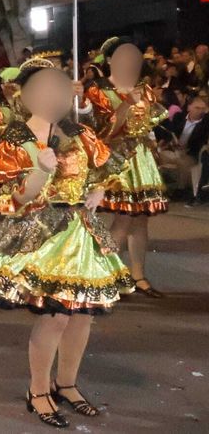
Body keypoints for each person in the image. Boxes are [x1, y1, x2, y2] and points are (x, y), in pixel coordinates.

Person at [0, 58, 132, 428]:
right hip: (43, 234)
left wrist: (100, 190)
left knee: (81, 313)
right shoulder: (15, 140)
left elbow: (112, 165)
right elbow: (15, 200)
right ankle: (38, 390)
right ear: (24, 96)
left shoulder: (79, 131)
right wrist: (42, 169)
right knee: (56, 316)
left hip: (83, 231)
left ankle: (67, 384)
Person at [85, 37, 169, 298]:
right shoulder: (98, 90)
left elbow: (151, 123)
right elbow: (105, 130)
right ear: (109, 60)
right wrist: (127, 103)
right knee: (123, 219)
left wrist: (154, 151)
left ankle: (138, 276)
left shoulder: (144, 89)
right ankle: (104, 276)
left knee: (141, 220)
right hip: (118, 159)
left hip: (142, 159)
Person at [157, 97, 209, 203]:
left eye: (203, 109)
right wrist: (169, 142)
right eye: (197, 108)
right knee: (156, 156)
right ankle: (157, 187)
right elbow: (169, 132)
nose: (200, 111)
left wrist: (184, 148)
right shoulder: (178, 117)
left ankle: (179, 191)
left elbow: (201, 142)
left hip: (190, 153)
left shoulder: (206, 123)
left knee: (181, 163)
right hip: (173, 149)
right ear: (189, 107)